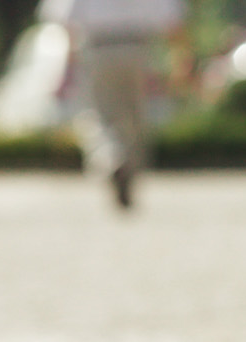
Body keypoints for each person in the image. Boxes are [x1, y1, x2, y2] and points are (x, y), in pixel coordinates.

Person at [36, 0, 186, 210]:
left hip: (98, 48)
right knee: (136, 118)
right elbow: (172, 20)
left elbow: (66, 20)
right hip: (139, 48)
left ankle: (111, 159)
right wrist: (179, 60)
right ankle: (130, 170)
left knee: (99, 115)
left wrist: (68, 66)